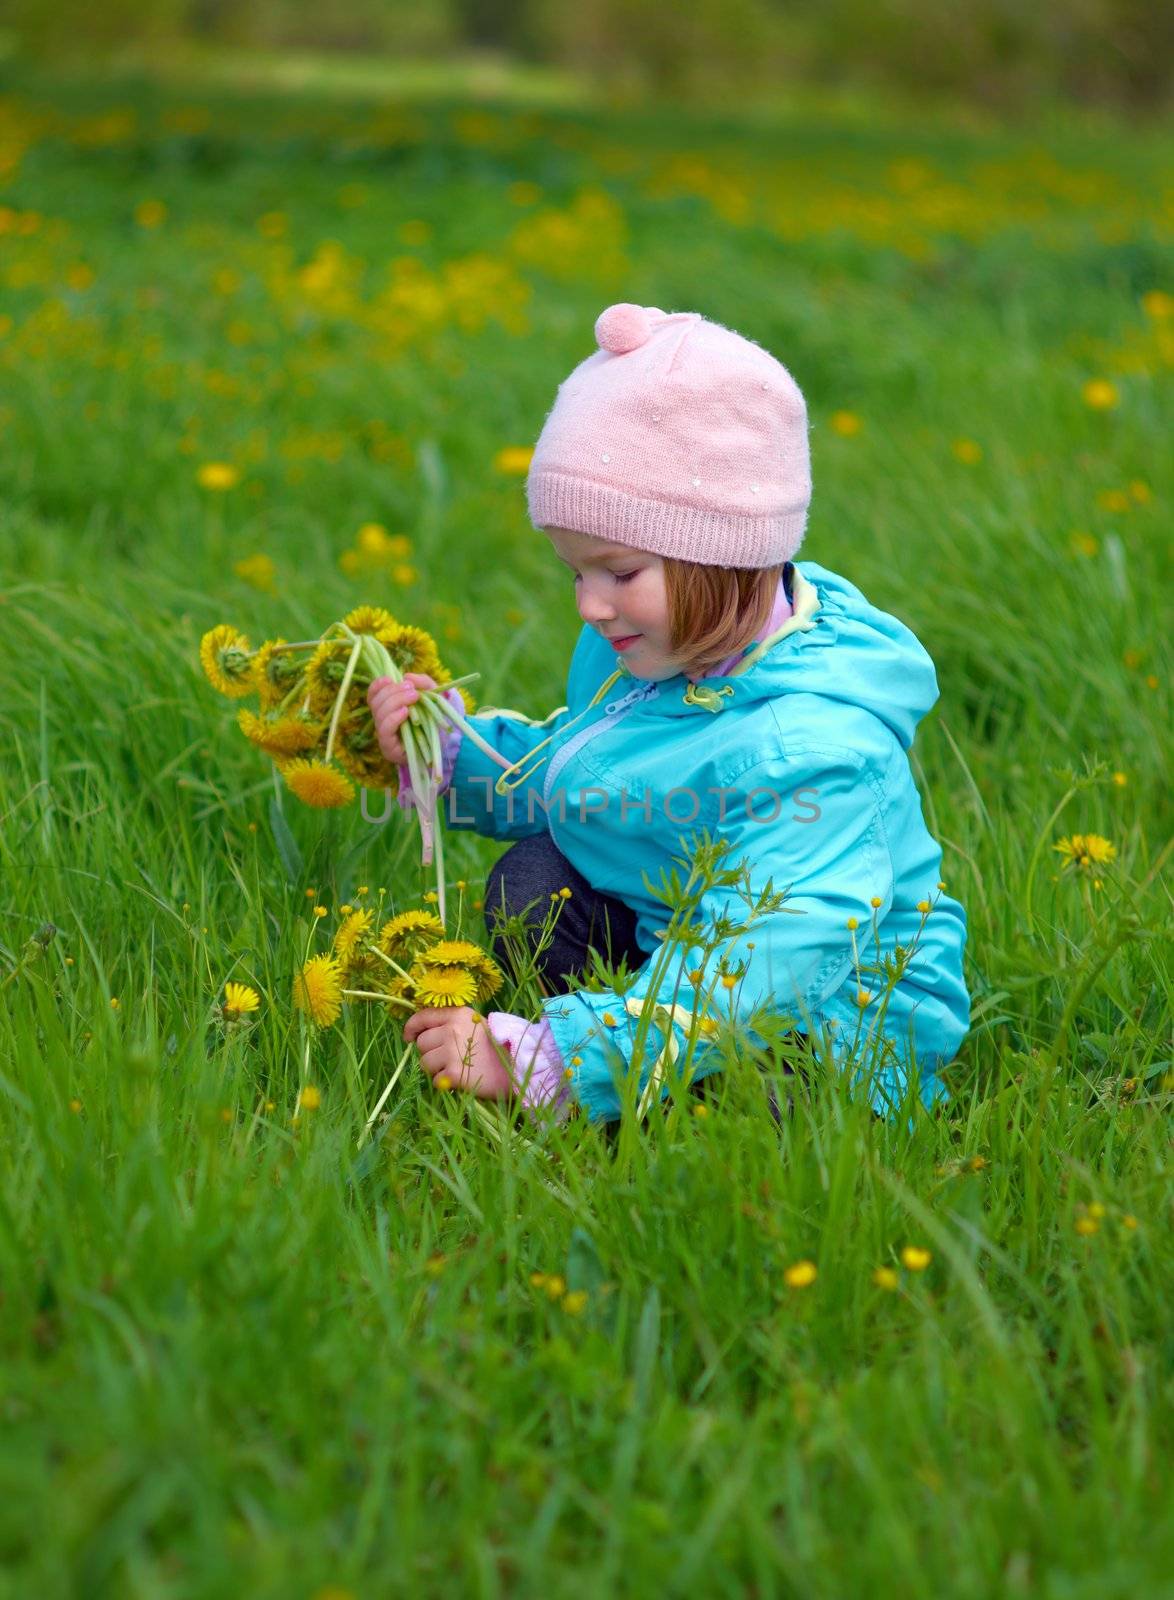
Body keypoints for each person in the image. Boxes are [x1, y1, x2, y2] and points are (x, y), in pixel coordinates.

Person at [370, 302, 970, 1124]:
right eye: (574, 572)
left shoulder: (812, 748)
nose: (589, 605)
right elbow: (581, 774)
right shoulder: (662, 644)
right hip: (686, 937)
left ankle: (591, 1078)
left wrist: (554, 1059)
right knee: (535, 880)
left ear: (721, 555)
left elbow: (760, 965)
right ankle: (608, 1074)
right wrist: (443, 754)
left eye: (617, 571)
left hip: (826, 1023)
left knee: (753, 1107)